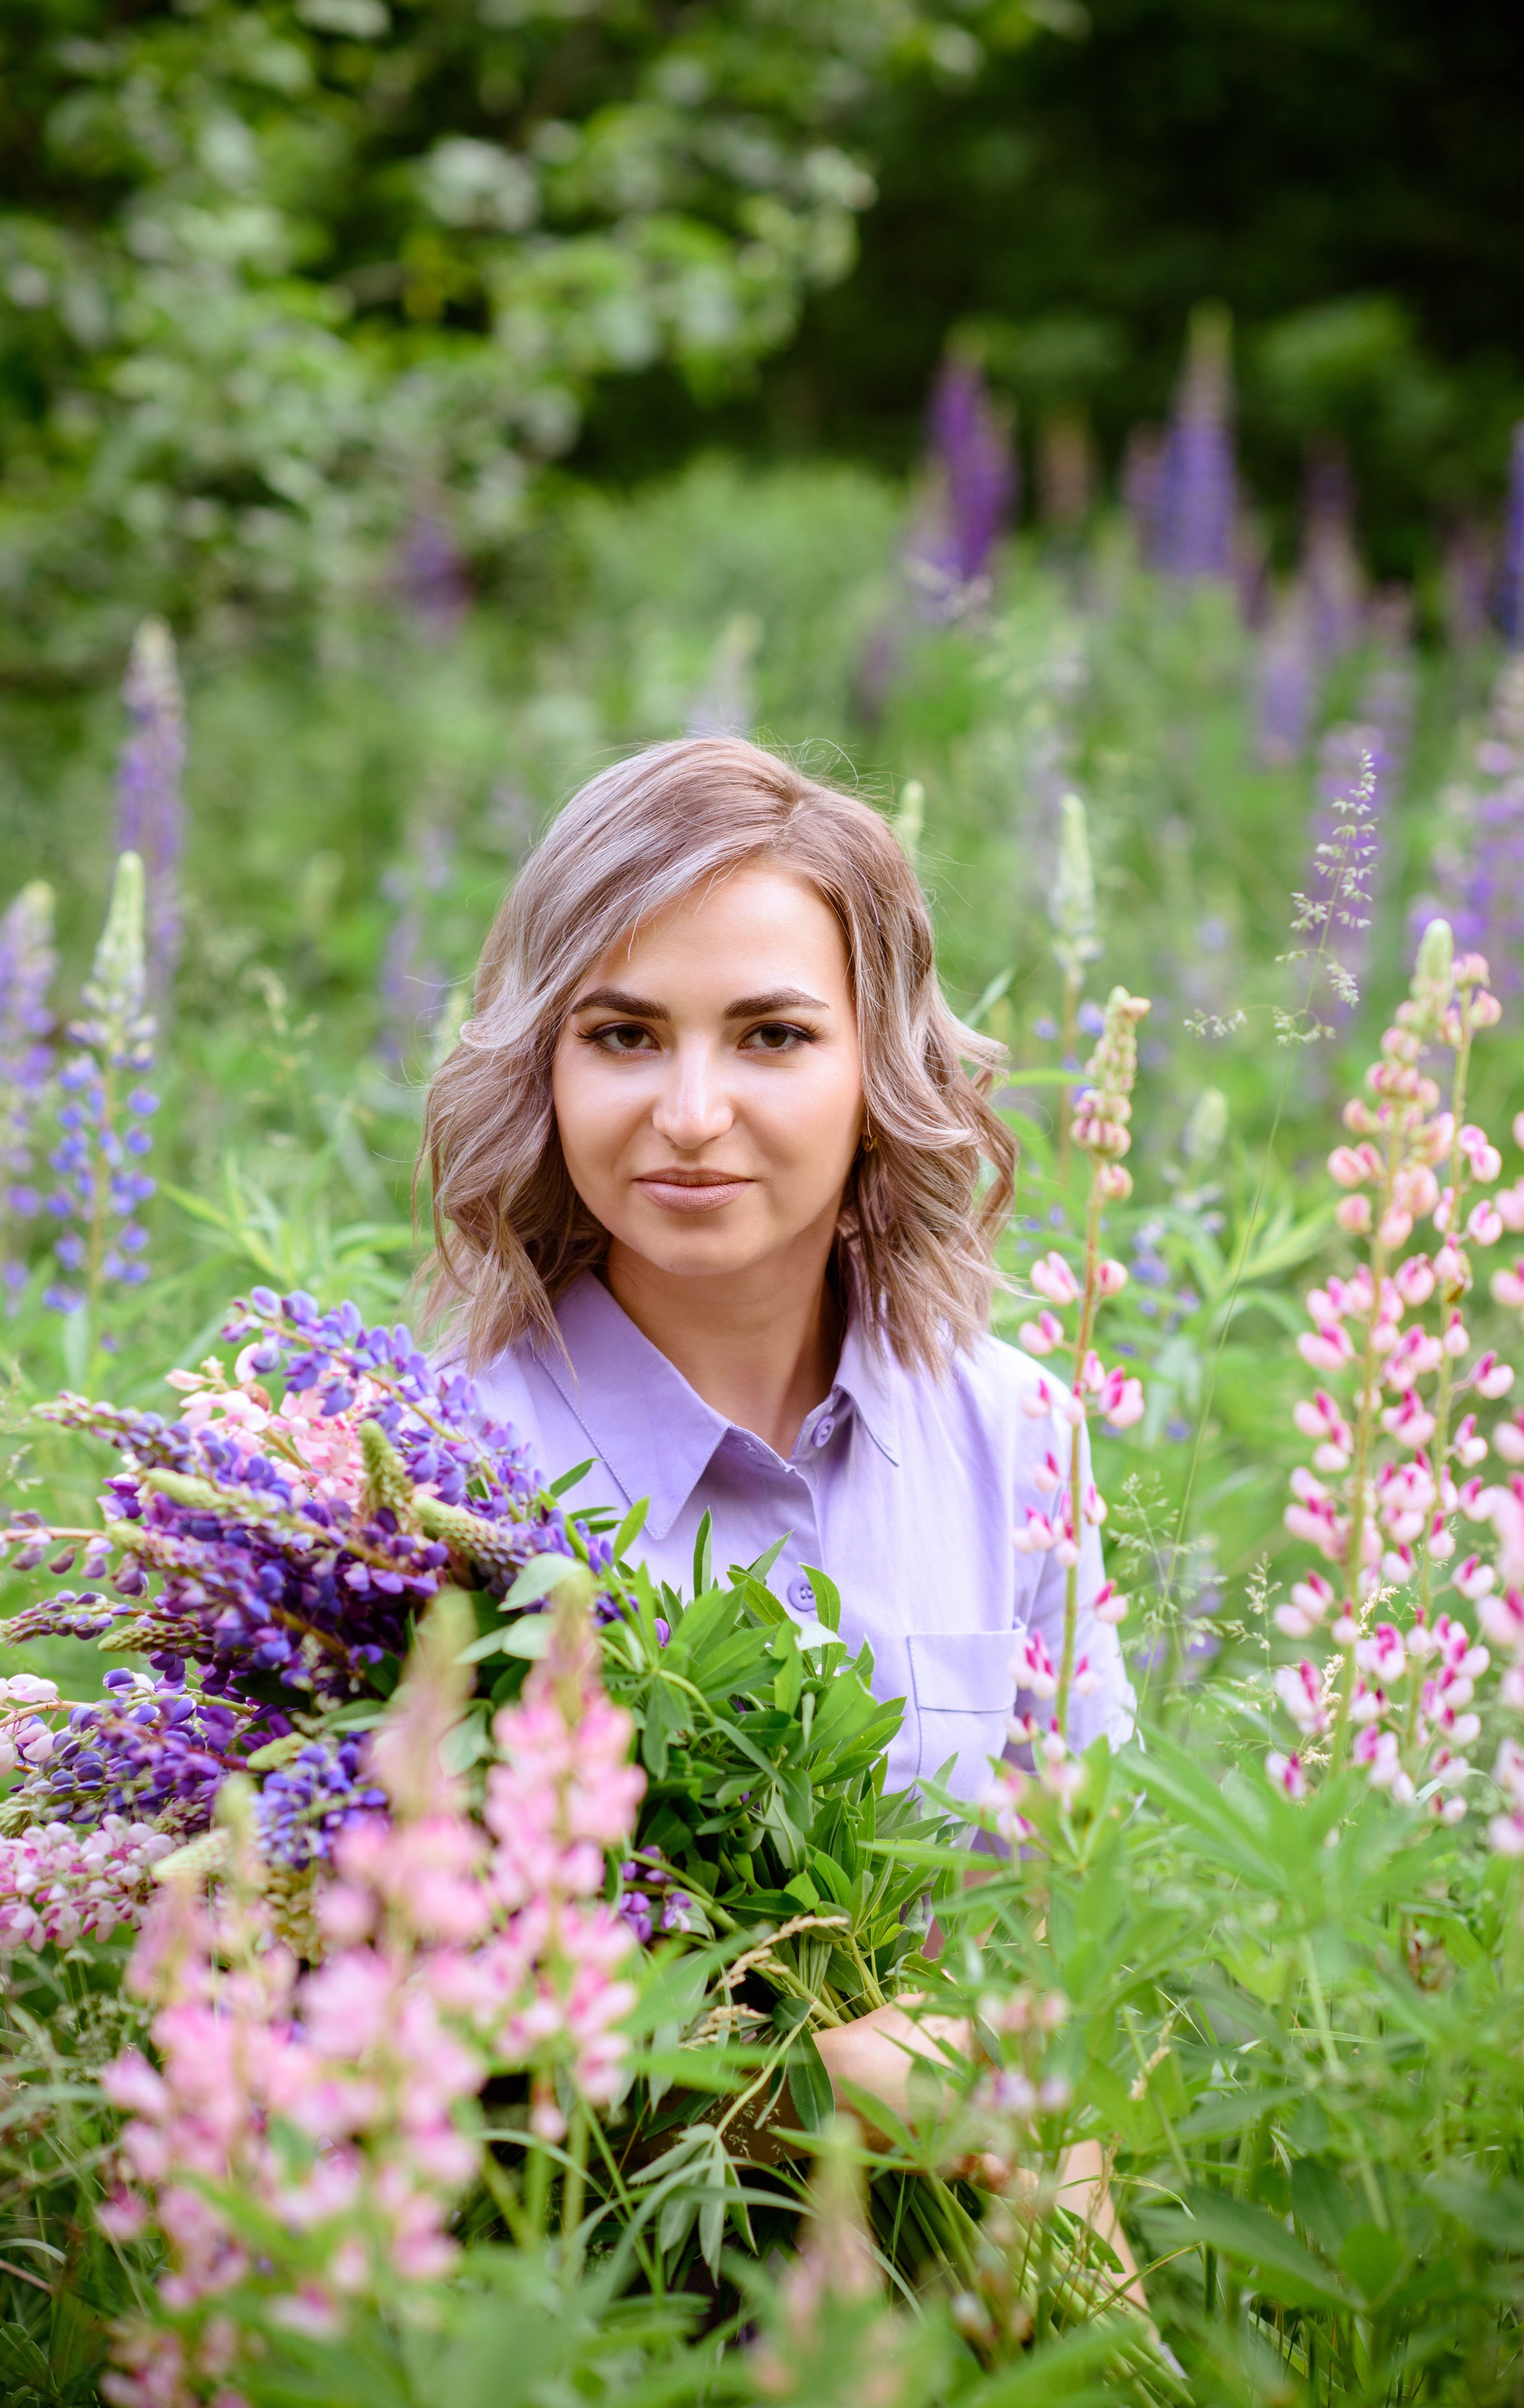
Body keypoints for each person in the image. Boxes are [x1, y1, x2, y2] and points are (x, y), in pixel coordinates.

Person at [423, 736, 1138, 2282]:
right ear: (542, 1064)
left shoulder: (1009, 1429)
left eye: (768, 1035)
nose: (689, 1111)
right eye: (622, 1034)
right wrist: (833, 2077)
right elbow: (404, 2007)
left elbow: (1086, 1916)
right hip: (572, 2302)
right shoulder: (440, 1470)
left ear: (877, 1070)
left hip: (973, 2293)